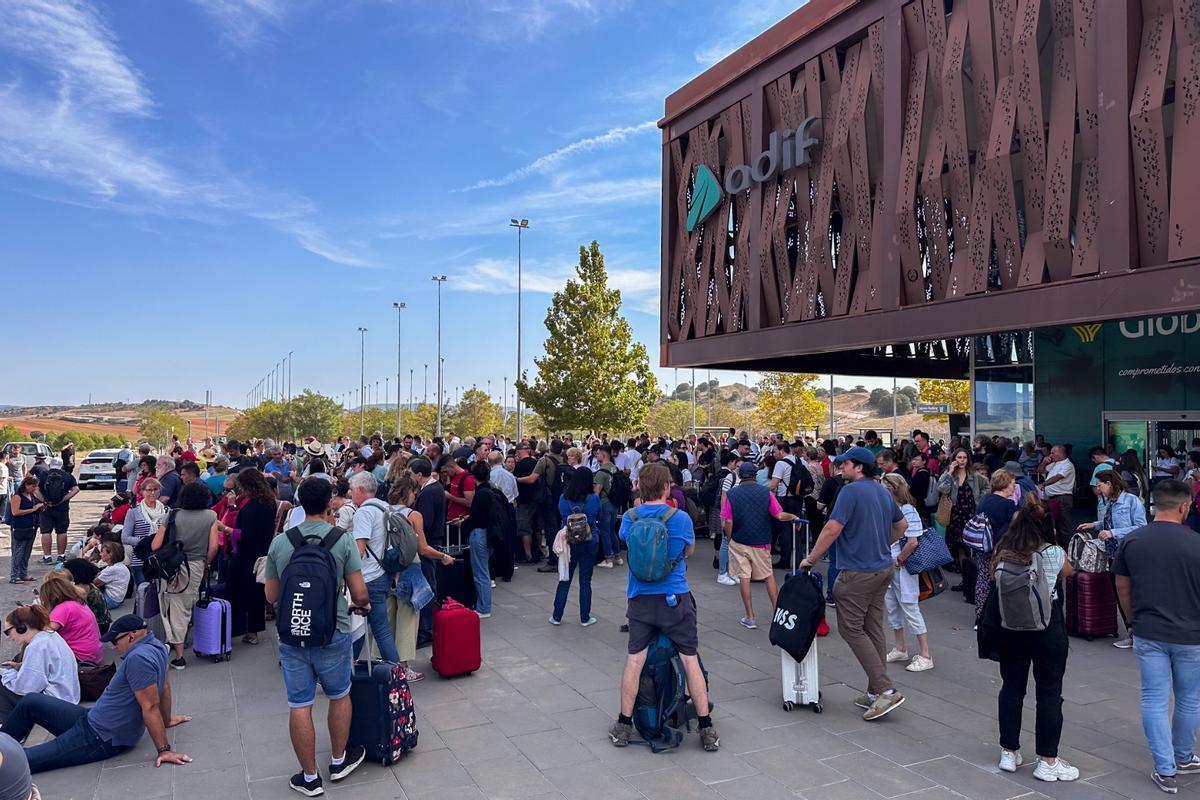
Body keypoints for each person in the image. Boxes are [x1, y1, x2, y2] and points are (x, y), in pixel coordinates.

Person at [263, 477, 369, 795]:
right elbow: (360, 593)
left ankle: (309, 778)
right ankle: (338, 761)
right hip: (333, 630)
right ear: (329, 505)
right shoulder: (342, 540)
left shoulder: (282, 542)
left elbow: (270, 596)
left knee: (300, 703)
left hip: (293, 633)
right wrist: (361, 606)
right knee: (339, 695)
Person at [607, 463, 718, 752]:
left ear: (640, 488)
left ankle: (623, 724)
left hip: (640, 599)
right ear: (667, 487)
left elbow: (625, 543)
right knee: (689, 658)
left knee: (635, 660)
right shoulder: (680, 519)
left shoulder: (630, 517)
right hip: (674, 599)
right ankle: (706, 728)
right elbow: (690, 551)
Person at [0, 614, 191, 773]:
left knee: (22, 761)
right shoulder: (157, 646)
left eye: (115, 642)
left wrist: (164, 750)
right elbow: (164, 687)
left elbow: (150, 706)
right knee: (31, 702)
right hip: (92, 718)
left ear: (131, 637)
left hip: (100, 738)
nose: (114, 648)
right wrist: (166, 721)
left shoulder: (138, 659)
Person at [800, 447, 908, 721]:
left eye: (844, 464)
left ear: (858, 467)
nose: (840, 468)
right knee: (872, 627)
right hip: (882, 569)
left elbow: (832, 528)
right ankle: (874, 691)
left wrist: (811, 558)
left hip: (857, 572)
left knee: (851, 630)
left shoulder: (850, 492)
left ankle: (885, 690)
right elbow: (902, 525)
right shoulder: (882, 491)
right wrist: (883, 544)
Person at [1113, 480, 1200, 794]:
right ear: (1183, 506)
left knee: (1154, 698)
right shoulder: (1196, 543)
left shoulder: (1133, 541)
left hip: (1149, 630)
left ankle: (1165, 769)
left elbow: (1122, 587)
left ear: (1154, 506)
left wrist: (1131, 621)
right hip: (1192, 635)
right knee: (1190, 699)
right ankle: (1183, 756)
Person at [984, 505, 1079, 783]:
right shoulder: (1053, 552)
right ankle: (1048, 761)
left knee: (1011, 688)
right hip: (1048, 627)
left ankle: (1008, 752)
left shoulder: (1004, 552)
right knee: (1049, 691)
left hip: (1012, 627)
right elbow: (1069, 573)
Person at [151, 482, 219, 669]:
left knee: (171, 605)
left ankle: (178, 653)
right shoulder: (211, 516)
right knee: (184, 605)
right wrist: (206, 563)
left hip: (171, 566)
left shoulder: (171, 515)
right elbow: (213, 546)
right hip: (196, 566)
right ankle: (176, 642)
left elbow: (155, 546)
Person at [1077, 470, 1147, 649]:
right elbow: (1109, 522)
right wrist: (1094, 525)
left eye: (1100, 485)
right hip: (1113, 553)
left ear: (1110, 484)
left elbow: (1140, 526)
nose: (1098, 489)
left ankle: (1137, 631)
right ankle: (1131, 629)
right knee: (1119, 591)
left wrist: (1112, 533)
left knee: (1129, 590)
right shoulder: (1111, 503)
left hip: (1129, 551)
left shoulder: (1131, 501)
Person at [723, 462, 796, 630]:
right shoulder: (766, 492)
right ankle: (777, 613)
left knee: (744, 576)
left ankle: (750, 617)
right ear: (755, 475)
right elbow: (779, 514)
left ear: (740, 475)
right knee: (768, 575)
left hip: (739, 540)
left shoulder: (732, 494)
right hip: (762, 541)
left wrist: (729, 537)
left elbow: (728, 520)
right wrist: (792, 516)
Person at [879, 474, 933, 672]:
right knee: (892, 606)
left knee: (910, 607)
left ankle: (925, 654)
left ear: (892, 490)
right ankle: (900, 647)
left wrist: (899, 560)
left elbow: (913, 541)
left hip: (902, 566)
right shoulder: (891, 508)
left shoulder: (908, 510)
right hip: (891, 563)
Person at [348, 471, 402, 662]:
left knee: (366, 629)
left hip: (368, 577)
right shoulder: (385, 507)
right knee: (378, 629)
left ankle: (395, 673)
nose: (350, 493)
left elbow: (359, 551)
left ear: (361, 489)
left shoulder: (363, 512)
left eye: (352, 489)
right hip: (385, 573)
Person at [0, 606, 79, 724]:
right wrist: (19, 666)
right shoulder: (50, 635)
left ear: (21, 628)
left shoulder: (37, 646)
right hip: (68, 697)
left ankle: (8, 725)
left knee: (2, 682)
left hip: (55, 704)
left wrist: (4, 673)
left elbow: (26, 687)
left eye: (8, 632)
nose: (9, 637)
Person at [550, 465, 600, 626]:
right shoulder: (594, 499)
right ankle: (585, 617)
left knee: (565, 577)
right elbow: (595, 518)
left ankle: (556, 616)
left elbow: (562, 516)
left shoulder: (563, 498)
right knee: (585, 580)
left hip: (569, 542)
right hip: (589, 540)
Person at [231, 469, 274, 645]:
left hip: (247, 555)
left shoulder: (251, 507)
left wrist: (227, 530)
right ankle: (254, 630)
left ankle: (245, 629)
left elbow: (245, 534)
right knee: (257, 593)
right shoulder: (269, 502)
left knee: (243, 592)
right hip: (263, 552)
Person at [970, 471, 1018, 617]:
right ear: (1005, 485)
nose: (1014, 488)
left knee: (983, 579)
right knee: (1000, 580)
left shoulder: (985, 499)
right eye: (1012, 484)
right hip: (1000, 547)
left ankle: (980, 615)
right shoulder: (1008, 504)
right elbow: (1015, 526)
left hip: (983, 544)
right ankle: (998, 615)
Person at [409, 458, 445, 650]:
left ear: (419, 475)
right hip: (431, 540)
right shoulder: (433, 489)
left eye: (411, 474)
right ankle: (426, 627)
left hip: (428, 541)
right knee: (428, 582)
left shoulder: (429, 492)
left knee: (427, 584)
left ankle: (426, 629)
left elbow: (426, 521)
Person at [938, 448, 989, 578]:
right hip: (955, 514)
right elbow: (942, 489)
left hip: (970, 514)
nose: (962, 460)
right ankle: (963, 574)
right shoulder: (949, 475)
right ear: (954, 459)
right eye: (959, 457)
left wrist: (980, 499)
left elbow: (987, 486)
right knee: (956, 545)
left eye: (964, 458)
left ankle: (967, 576)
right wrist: (950, 471)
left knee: (967, 546)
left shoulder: (974, 475)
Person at [37, 572, 102, 668]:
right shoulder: (77, 602)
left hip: (81, 657)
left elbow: (46, 632)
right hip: (93, 653)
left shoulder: (63, 608)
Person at [460, 462, 496, 618]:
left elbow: (476, 518)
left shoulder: (481, 494)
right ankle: (483, 605)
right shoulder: (491, 490)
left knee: (480, 572)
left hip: (479, 533)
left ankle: (484, 607)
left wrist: (464, 522)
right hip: (488, 532)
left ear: (474, 477)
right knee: (483, 570)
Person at [122, 478, 165, 588]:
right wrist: (144, 541)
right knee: (143, 592)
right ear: (142, 491)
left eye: (156, 489)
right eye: (149, 490)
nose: (153, 493)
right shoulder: (134, 511)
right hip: (140, 559)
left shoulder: (166, 511)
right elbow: (125, 537)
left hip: (161, 558)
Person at [36, 459, 77, 565]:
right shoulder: (67, 476)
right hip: (62, 508)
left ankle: (47, 557)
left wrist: (44, 500)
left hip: (46, 508)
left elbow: (35, 490)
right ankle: (61, 556)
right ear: (61, 465)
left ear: (50, 465)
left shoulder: (43, 475)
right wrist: (64, 499)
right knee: (62, 532)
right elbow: (76, 489)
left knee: (45, 532)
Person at [7, 478, 42, 585]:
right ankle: (14, 575)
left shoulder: (32, 496)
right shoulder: (17, 497)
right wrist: (33, 509)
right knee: (18, 552)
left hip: (31, 527)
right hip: (20, 527)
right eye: (33, 486)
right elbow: (15, 512)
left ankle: (23, 573)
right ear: (26, 485)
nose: (34, 488)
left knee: (26, 552)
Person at [93, 542, 130, 611]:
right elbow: (99, 575)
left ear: (110, 555)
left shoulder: (113, 569)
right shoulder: (118, 566)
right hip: (117, 598)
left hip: (111, 600)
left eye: (102, 552)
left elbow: (94, 583)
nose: (100, 554)